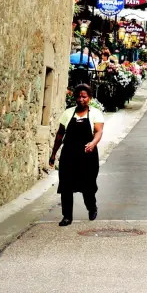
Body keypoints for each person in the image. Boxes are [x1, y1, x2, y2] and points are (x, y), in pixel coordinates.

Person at [49, 84, 104, 226]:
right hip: (69, 154)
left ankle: (91, 207)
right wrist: (53, 154)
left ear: (89, 98)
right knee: (66, 185)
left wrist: (93, 143)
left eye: (84, 96)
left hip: (88, 155)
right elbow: (60, 134)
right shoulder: (68, 113)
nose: (81, 99)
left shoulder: (95, 113)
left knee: (88, 185)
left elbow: (98, 131)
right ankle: (67, 216)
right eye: (78, 96)